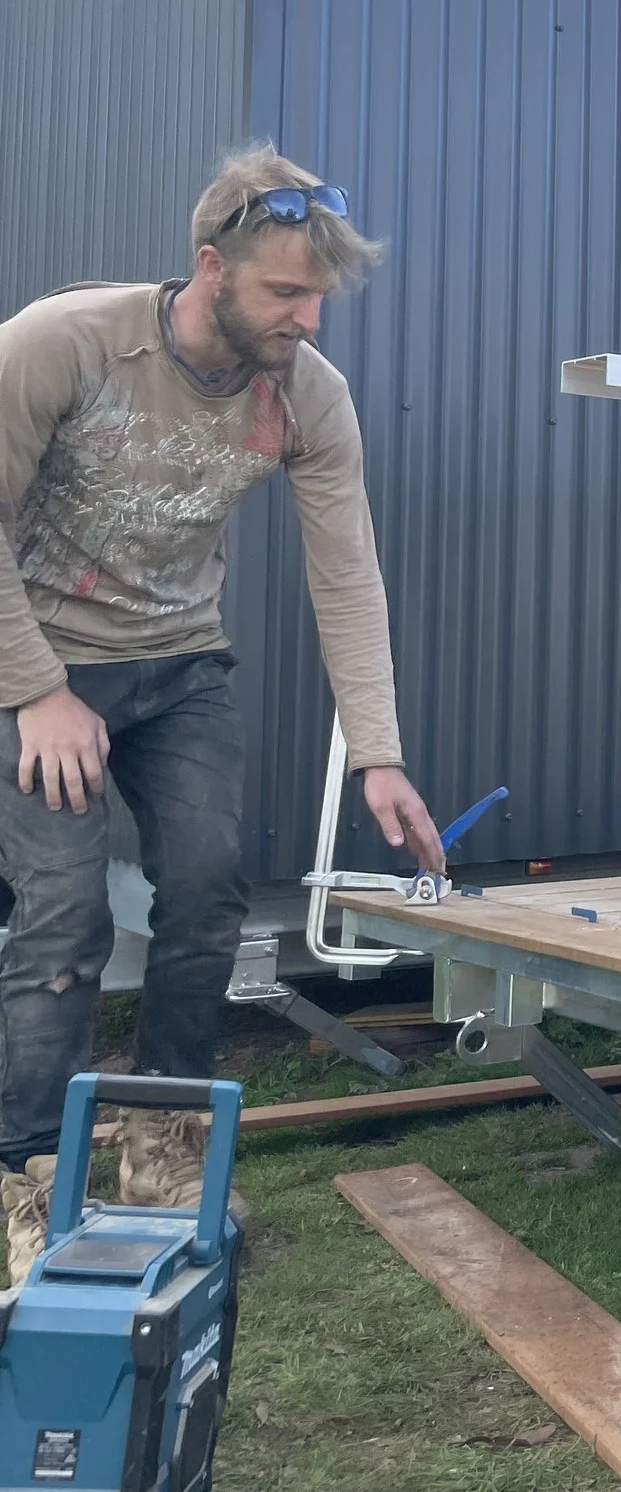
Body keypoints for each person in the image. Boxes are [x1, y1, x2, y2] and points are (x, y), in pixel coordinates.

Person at [0, 144, 442, 1278]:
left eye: (318, 297)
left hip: (177, 665)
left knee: (206, 893)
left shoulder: (308, 395)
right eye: (284, 294)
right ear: (211, 267)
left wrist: (378, 756)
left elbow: (346, 574)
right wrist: (40, 692)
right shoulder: (66, 343)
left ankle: (164, 1158)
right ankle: (26, 1187)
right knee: (62, 916)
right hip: (37, 660)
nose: (308, 320)